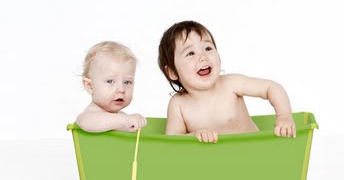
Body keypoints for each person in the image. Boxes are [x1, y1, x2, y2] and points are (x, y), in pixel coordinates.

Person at [158, 21, 296, 143]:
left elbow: (272, 88)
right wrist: (194, 135)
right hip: (214, 163)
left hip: (252, 154)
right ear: (173, 72)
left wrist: (284, 116)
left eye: (208, 48)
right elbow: (173, 140)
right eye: (191, 53)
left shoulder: (231, 84)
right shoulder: (178, 104)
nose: (203, 57)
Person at [76, 41, 147, 133]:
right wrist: (125, 121)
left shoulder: (122, 116)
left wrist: (133, 122)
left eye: (127, 82)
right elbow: (86, 122)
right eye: (110, 81)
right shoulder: (90, 115)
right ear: (90, 86)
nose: (121, 89)